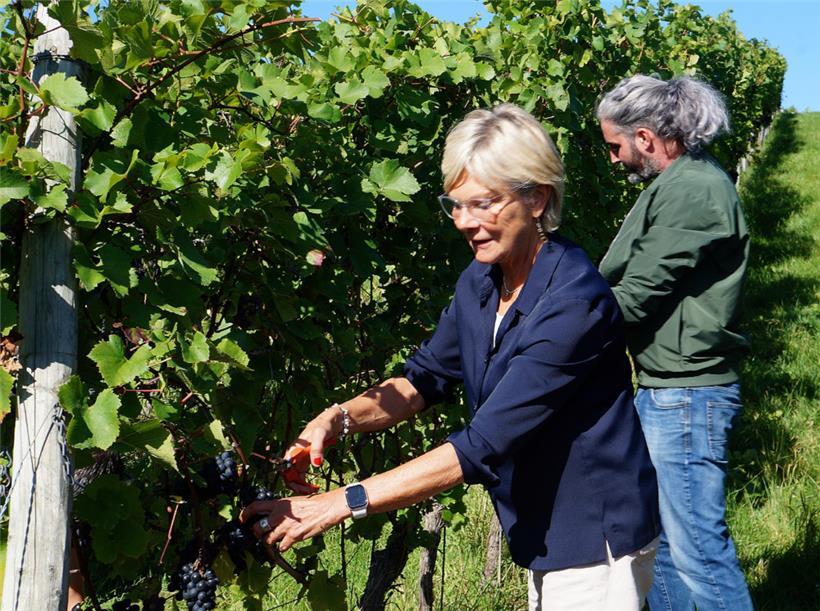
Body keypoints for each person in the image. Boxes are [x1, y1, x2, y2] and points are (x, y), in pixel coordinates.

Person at [242, 103, 660, 610]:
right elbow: (423, 379)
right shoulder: (484, 280)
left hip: (593, 532)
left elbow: (483, 445)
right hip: (543, 525)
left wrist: (339, 503)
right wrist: (336, 419)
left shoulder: (575, 302)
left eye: (483, 203)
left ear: (537, 199)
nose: (465, 222)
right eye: (455, 205)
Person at [596, 75, 753, 610]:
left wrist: (552, 326)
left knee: (697, 554)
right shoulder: (681, 183)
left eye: (615, 146)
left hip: (686, 398)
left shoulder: (690, 191)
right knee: (661, 549)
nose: (614, 159)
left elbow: (637, 295)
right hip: (670, 390)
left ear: (644, 136)